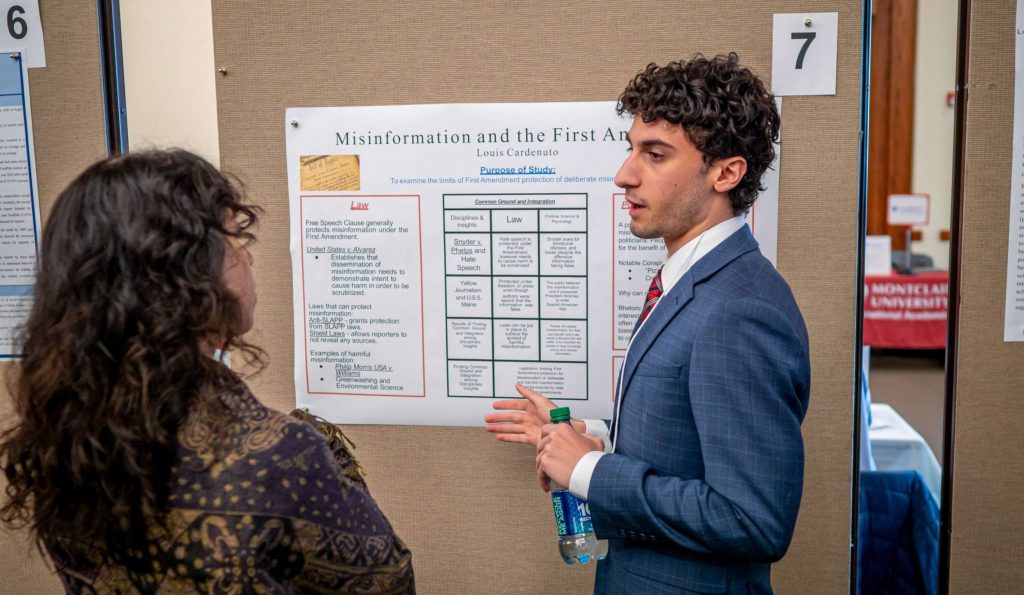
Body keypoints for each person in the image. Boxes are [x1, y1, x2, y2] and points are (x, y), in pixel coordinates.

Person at [0, 149, 414, 593]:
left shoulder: (59, 437)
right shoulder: (280, 457)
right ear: (184, 277)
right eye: (235, 238)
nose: (247, 257)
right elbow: (389, 584)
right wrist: (332, 459)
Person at [486, 54, 810, 594]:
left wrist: (589, 470)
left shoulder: (739, 309)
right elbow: (686, 442)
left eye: (655, 155)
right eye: (632, 149)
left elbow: (753, 520)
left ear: (726, 173)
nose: (624, 175)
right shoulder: (692, 279)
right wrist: (590, 437)